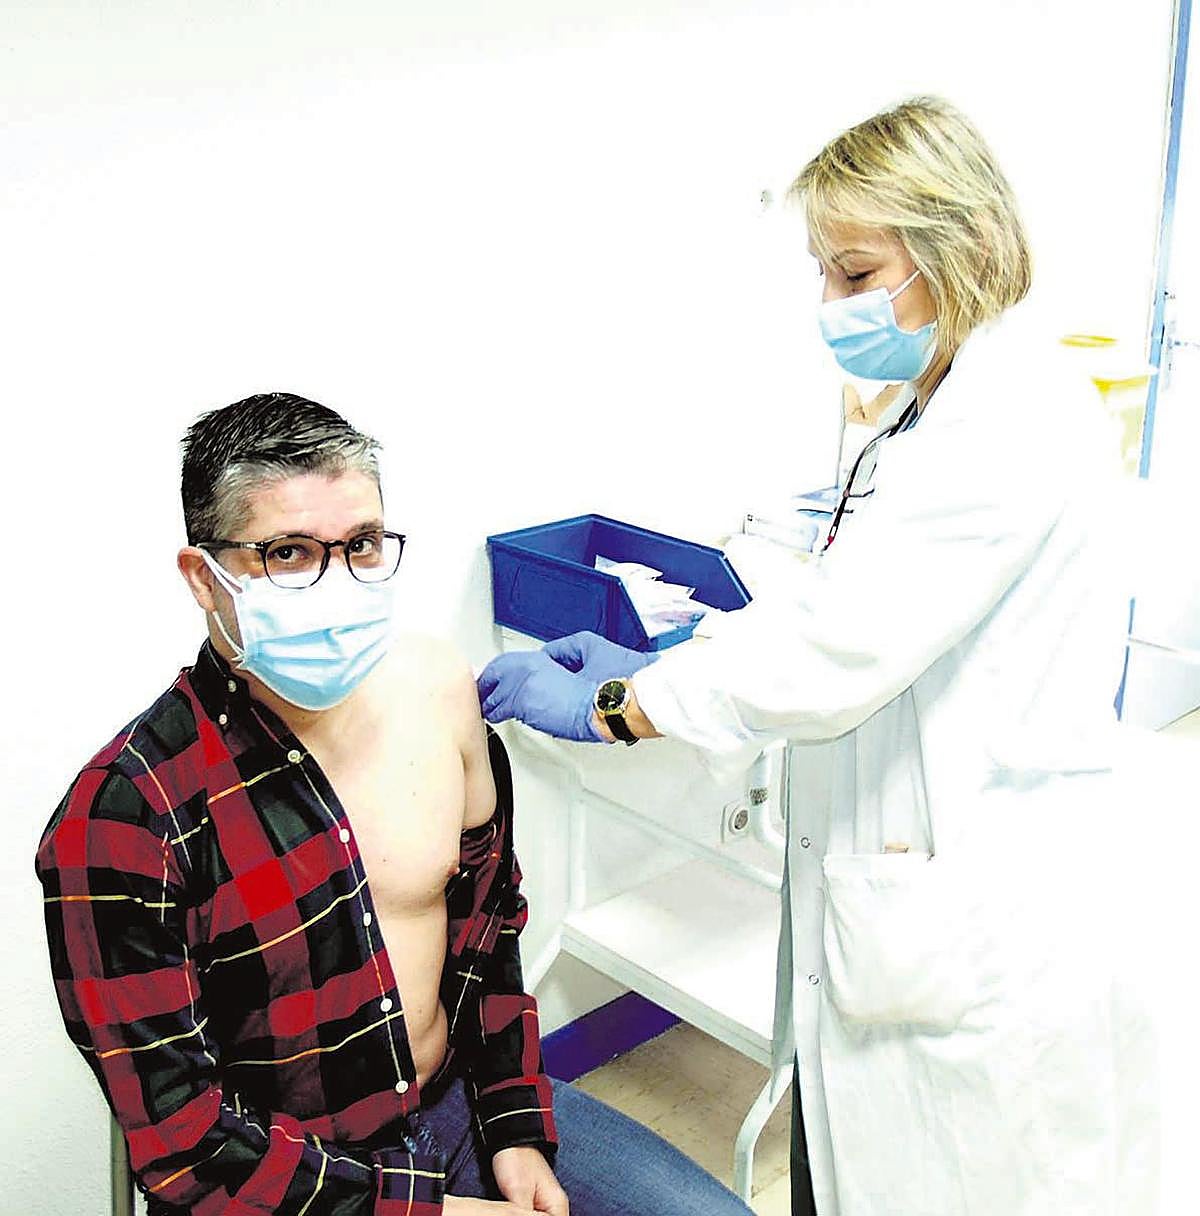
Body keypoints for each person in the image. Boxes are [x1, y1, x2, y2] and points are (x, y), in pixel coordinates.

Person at [477, 97, 1157, 1216]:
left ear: (964, 246)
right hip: (923, 858)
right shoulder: (928, 414)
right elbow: (844, 598)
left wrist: (616, 701)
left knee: (980, 1168)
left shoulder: (1009, 422)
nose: (832, 308)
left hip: (984, 906)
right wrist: (688, 643)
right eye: (825, 276)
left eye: (854, 273)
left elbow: (836, 648)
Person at [36, 392, 755, 1216]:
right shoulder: (125, 820)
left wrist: (514, 1124)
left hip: (452, 1110)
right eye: (290, 554)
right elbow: (185, 1147)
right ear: (206, 577)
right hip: (283, 1179)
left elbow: (489, 930)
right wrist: (437, 1213)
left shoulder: (438, 691)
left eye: (364, 546)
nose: (337, 583)